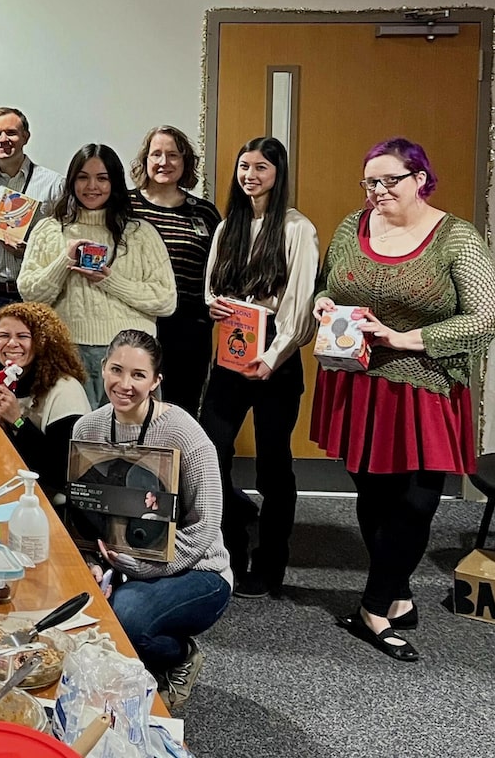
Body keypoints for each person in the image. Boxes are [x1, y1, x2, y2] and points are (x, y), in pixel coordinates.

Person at [310, 139, 495, 661]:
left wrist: (403, 338)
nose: (379, 191)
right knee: (373, 497)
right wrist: (325, 304)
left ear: (420, 179)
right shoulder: (354, 226)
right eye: (371, 181)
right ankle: (396, 591)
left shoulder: (457, 238)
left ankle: (371, 607)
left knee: (416, 502)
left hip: (425, 387)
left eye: (390, 179)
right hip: (360, 382)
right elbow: (330, 285)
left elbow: (485, 316)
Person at [75, 330, 232, 709]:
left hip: (198, 569)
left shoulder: (185, 434)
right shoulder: (87, 429)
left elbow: (205, 525)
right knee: (79, 606)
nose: (124, 384)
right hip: (122, 564)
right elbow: (85, 513)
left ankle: (178, 656)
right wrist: (94, 563)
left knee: (124, 618)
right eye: (116, 370)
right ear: (102, 368)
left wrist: (138, 566)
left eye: (139, 375)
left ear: (156, 381)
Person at [200, 136, 318, 600]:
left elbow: (300, 306)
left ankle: (272, 562)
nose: (250, 175)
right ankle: (229, 547)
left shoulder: (296, 228)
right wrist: (213, 306)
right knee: (213, 451)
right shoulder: (229, 224)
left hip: (276, 358)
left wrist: (272, 358)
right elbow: (212, 288)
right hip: (231, 351)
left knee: (273, 465)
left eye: (261, 168)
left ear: (279, 174)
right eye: (244, 167)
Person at [18, 144, 176, 407]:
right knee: (73, 438)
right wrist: (64, 260)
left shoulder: (140, 233)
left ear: (114, 182)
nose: (92, 186)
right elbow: (30, 294)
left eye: (102, 178)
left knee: (131, 440)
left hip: (130, 357)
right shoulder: (48, 230)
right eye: (83, 177)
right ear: (71, 181)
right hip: (68, 352)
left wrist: (109, 280)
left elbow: (166, 300)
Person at [128, 126, 222, 417]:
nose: (164, 162)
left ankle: (178, 464)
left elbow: (218, 270)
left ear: (186, 163)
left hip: (189, 329)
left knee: (181, 410)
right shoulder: (124, 207)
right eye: (156, 154)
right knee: (133, 407)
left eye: (173, 155)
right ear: (145, 160)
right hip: (137, 323)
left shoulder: (204, 213)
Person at [0, 301, 90, 493]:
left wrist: (17, 421)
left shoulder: (66, 390)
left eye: (23, 336)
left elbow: (60, 472)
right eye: (4, 336)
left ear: (42, 341)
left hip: (42, 492)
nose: (12, 343)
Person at [0, 107, 65, 311]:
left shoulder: (54, 185)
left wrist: (30, 251)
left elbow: (65, 242)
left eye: (11, 132)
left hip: (40, 295)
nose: (3, 139)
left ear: (26, 137)